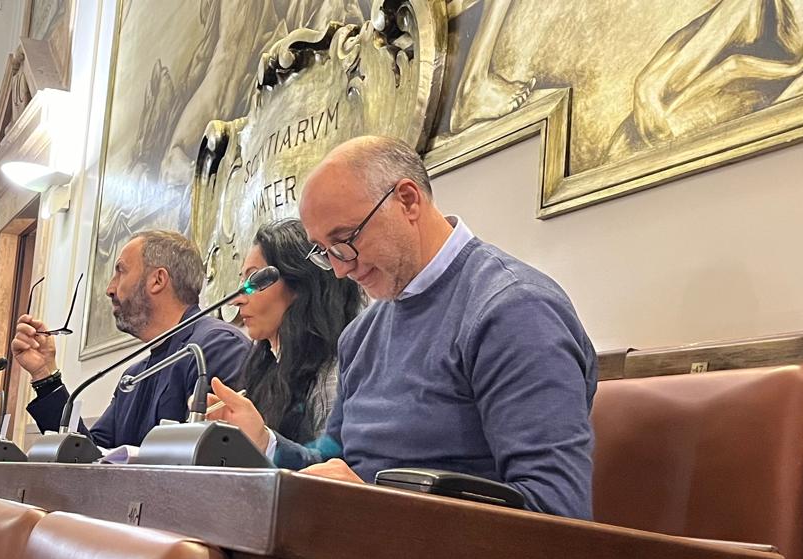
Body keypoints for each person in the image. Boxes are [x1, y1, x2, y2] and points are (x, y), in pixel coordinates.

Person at [208, 136, 598, 519]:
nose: (340, 269)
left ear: (408, 201)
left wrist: (373, 505)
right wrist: (264, 441)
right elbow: (336, 462)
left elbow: (555, 512)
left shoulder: (514, 310)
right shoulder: (361, 334)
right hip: (361, 542)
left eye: (345, 240)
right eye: (326, 252)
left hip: (440, 557)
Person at [12, 230, 250, 448]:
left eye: (120, 271)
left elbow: (215, 458)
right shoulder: (134, 376)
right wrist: (45, 375)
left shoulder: (218, 346)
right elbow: (89, 455)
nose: (110, 289)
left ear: (157, 280)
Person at [231, 218, 363, 443]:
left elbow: (329, 462)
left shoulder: (333, 376)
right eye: (242, 281)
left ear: (300, 285)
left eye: (255, 280)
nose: (238, 299)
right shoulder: (266, 367)